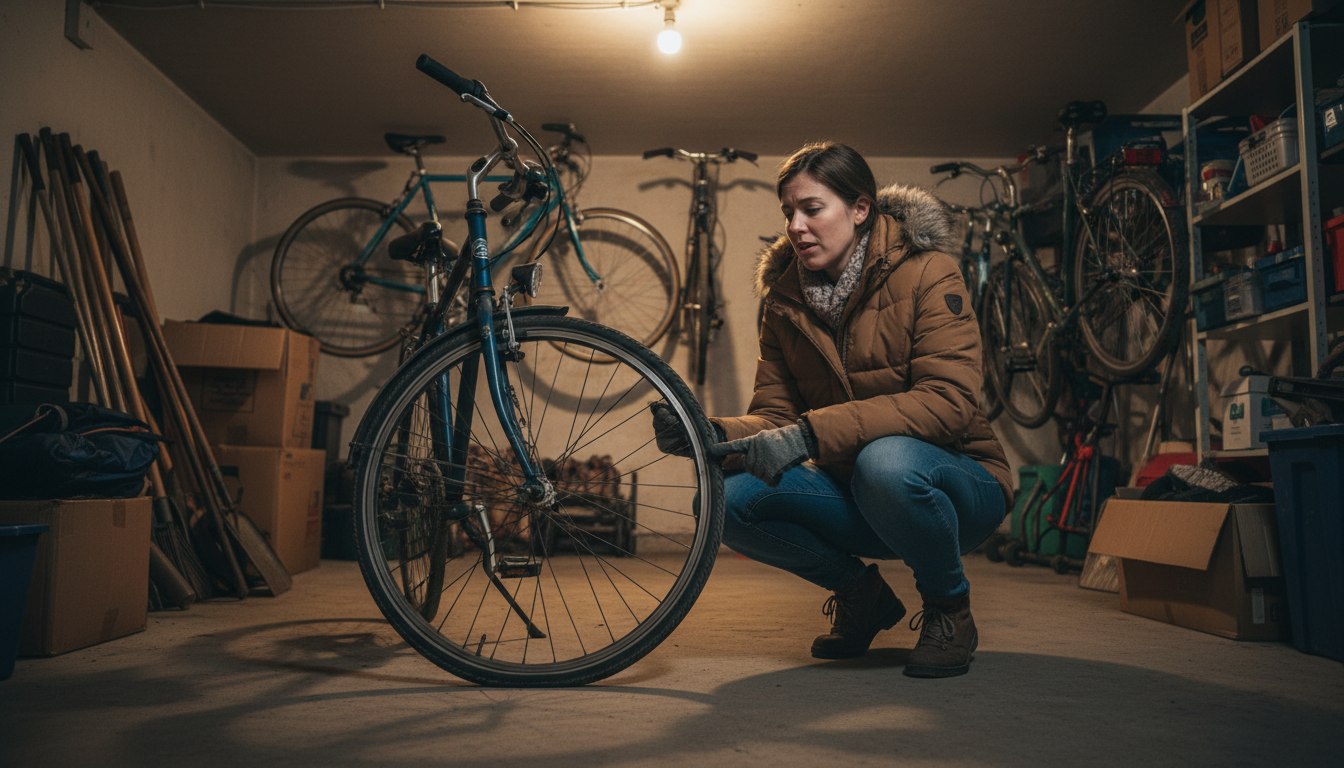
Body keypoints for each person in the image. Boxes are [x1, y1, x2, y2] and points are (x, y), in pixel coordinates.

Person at [653, 141, 1012, 678]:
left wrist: (812, 436)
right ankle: (859, 595)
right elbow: (776, 417)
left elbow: (950, 403)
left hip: (956, 488)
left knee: (885, 460)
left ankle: (949, 608)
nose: (795, 226)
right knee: (724, 500)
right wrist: (711, 432)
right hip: (856, 493)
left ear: (860, 209)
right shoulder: (783, 301)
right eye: (788, 213)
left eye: (811, 209)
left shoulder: (930, 272)